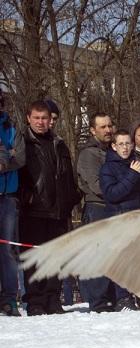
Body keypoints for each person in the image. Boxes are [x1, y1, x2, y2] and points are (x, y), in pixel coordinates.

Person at [19, 100, 80, 316]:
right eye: (36, 118)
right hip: (33, 209)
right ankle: (35, 300)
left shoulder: (59, 143)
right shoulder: (23, 142)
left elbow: (68, 175)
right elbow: (19, 173)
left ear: (50, 120)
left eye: (44, 118)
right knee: (34, 257)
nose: (40, 122)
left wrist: (72, 197)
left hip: (58, 209)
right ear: (28, 118)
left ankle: (53, 298)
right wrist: (26, 197)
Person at [99, 129, 140, 311]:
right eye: (121, 144)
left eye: (128, 143)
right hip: (119, 218)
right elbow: (112, 194)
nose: (125, 147)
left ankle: (139, 296)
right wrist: (132, 175)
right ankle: (123, 299)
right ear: (114, 146)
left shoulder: (137, 164)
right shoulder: (108, 168)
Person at [76, 112, 115, 312]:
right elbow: (96, 185)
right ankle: (99, 301)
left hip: (115, 208)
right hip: (97, 207)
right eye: (102, 127)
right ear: (93, 130)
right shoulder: (88, 154)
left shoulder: (116, 150)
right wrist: (122, 188)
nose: (108, 130)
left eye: (109, 126)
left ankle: (113, 298)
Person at [0, 90, 25, 316]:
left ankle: (9, 299)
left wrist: (5, 159)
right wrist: (8, 154)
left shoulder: (11, 127)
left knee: (7, 249)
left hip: (8, 196)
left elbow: (21, 158)